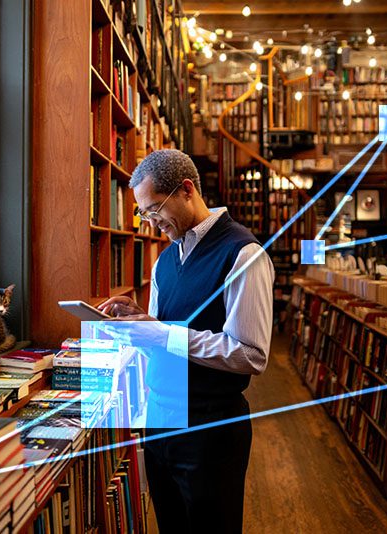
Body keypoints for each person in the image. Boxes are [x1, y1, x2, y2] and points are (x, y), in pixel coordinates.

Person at [97, 149, 274, 533]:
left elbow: (251, 355)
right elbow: (164, 336)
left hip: (210, 429)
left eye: (154, 209)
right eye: (143, 214)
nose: (150, 222)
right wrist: (138, 320)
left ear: (187, 190)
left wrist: (160, 332)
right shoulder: (163, 261)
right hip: (160, 421)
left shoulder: (243, 254)